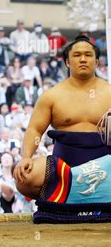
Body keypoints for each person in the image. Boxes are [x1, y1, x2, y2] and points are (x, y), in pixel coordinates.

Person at [14, 35, 111, 207]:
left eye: (88, 55)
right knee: (25, 178)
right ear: (67, 62)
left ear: (97, 62)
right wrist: (26, 157)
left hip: (106, 163)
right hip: (64, 166)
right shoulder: (52, 95)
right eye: (77, 55)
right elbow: (35, 130)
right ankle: (67, 191)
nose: (83, 59)